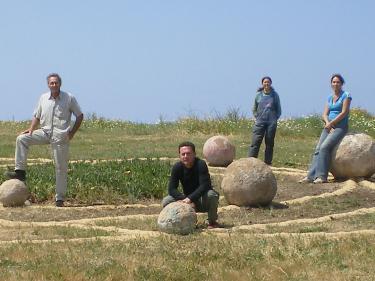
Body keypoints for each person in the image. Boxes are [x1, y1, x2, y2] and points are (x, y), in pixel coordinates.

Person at [5, 73, 83, 207]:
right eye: (51, 83)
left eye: (56, 83)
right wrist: (31, 129)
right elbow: (37, 115)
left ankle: (59, 199)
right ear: (48, 84)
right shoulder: (43, 98)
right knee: (21, 139)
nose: (54, 85)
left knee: (60, 168)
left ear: (60, 84)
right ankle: (20, 172)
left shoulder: (69, 98)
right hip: (45, 132)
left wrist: (72, 133)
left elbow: (80, 115)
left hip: (60, 136)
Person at [299, 74, 352, 184]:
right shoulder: (329, 97)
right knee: (318, 149)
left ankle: (322, 176)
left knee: (324, 147)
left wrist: (332, 123)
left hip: (340, 127)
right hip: (329, 126)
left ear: (342, 84)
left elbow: (344, 112)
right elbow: (324, 113)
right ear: (331, 84)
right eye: (333, 82)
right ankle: (310, 176)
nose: (335, 84)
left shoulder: (346, 95)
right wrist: (328, 123)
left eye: (338, 82)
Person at [162, 141, 220, 228]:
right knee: (167, 200)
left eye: (188, 154)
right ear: (179, 155)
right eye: (183, 154)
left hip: (201, 199)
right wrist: (184, 200)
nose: (186, 156)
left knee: (212, 195)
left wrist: (190, 199)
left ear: (194, 154)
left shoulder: (200, 164)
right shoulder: (177, 167)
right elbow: (171, 189)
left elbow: (205, 185)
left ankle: (212, 222)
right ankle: (176, 223)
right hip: (186, 200)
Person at [248, 76, 282, 165]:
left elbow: (279, 109)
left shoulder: (275, 95)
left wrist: (275, 119)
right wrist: (257, 117)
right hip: (260, 121)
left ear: (271, 83)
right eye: (265, 82)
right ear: (262, 84)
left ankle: (267, 162)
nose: (266, 84)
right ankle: (251, 161)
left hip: (271, 122)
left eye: (268, 82)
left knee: (269, 142)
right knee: (255, 141)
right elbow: (254, 108)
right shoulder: (258, 95)